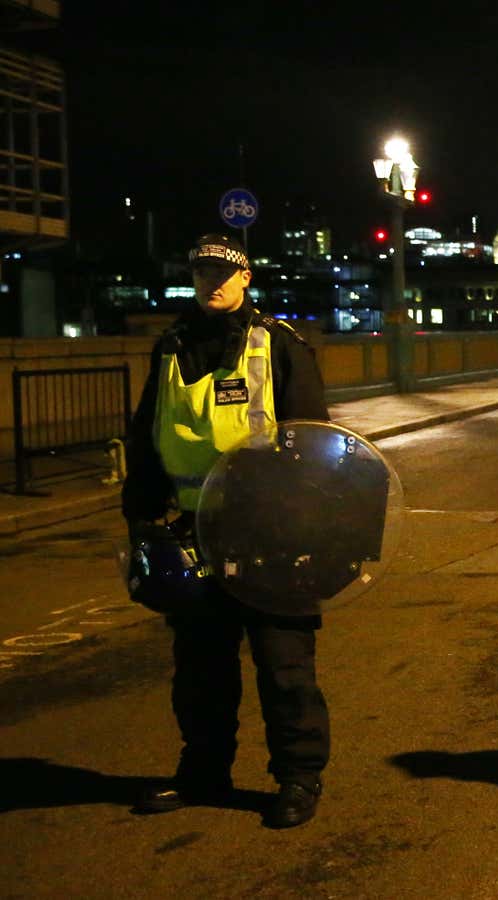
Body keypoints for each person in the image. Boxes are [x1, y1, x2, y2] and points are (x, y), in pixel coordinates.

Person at [123, 233, 332, 829]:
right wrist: (140, 512)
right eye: (203, 272)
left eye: (225, 273)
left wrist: (309, 524)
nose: (213, 282)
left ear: (246, 280)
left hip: (273, 531)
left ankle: (297, 777)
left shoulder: (281, 345)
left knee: (284, 665)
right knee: (200, 667)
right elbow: (147, 433)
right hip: (194, 530)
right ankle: (203, 772)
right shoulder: (171, 347)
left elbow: (313, 442)